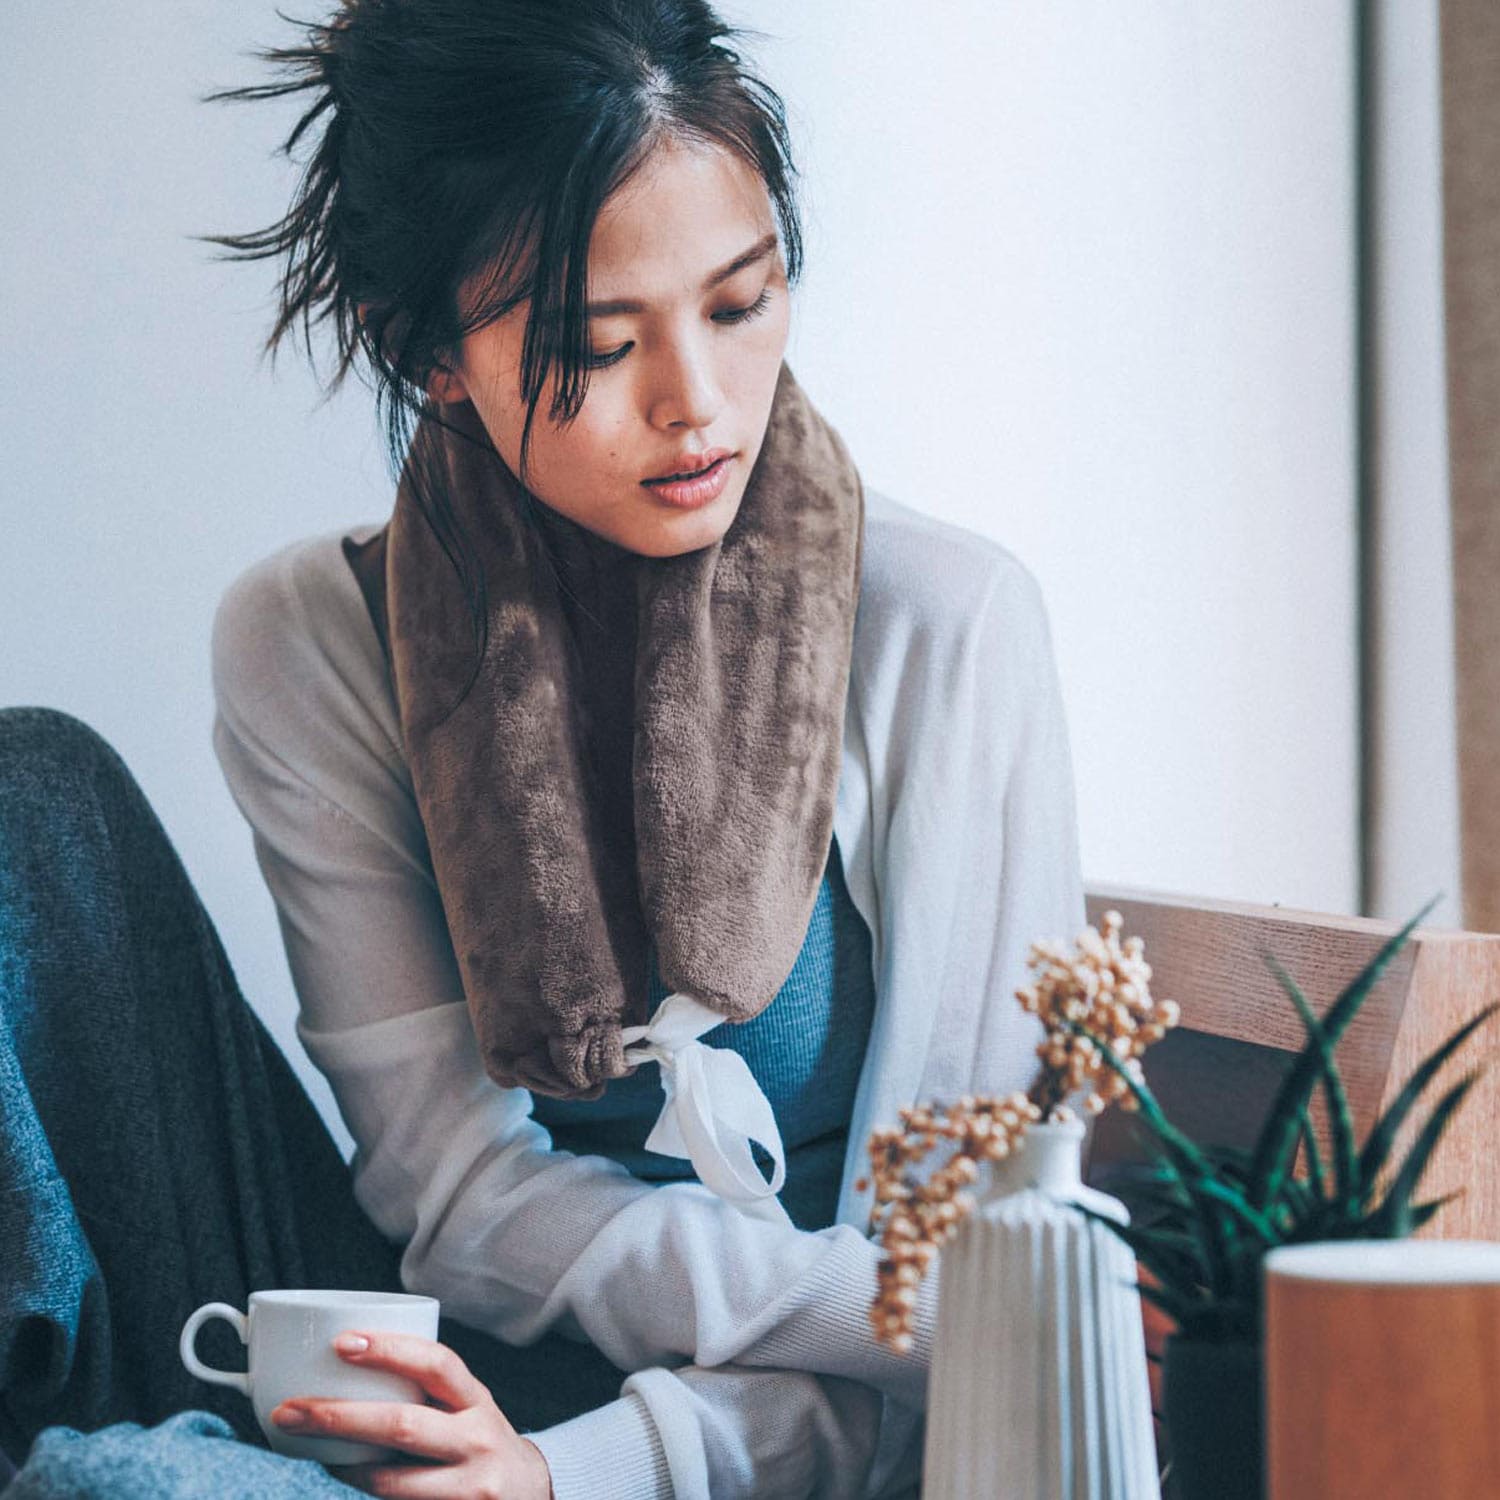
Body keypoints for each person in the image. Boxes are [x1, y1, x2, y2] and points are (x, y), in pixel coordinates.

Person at [1, 1, 1088, 1496]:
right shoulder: (313, 636)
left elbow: (957, 1327)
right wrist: (879, 1302)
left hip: (761, 1442)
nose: (695, 402)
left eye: (740, 301)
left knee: (109, 1493)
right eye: (595, 341)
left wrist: (577, 1470)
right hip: (441, 1364)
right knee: (27, 798)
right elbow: (448, 1192)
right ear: (430, 351)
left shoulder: (940, 628)